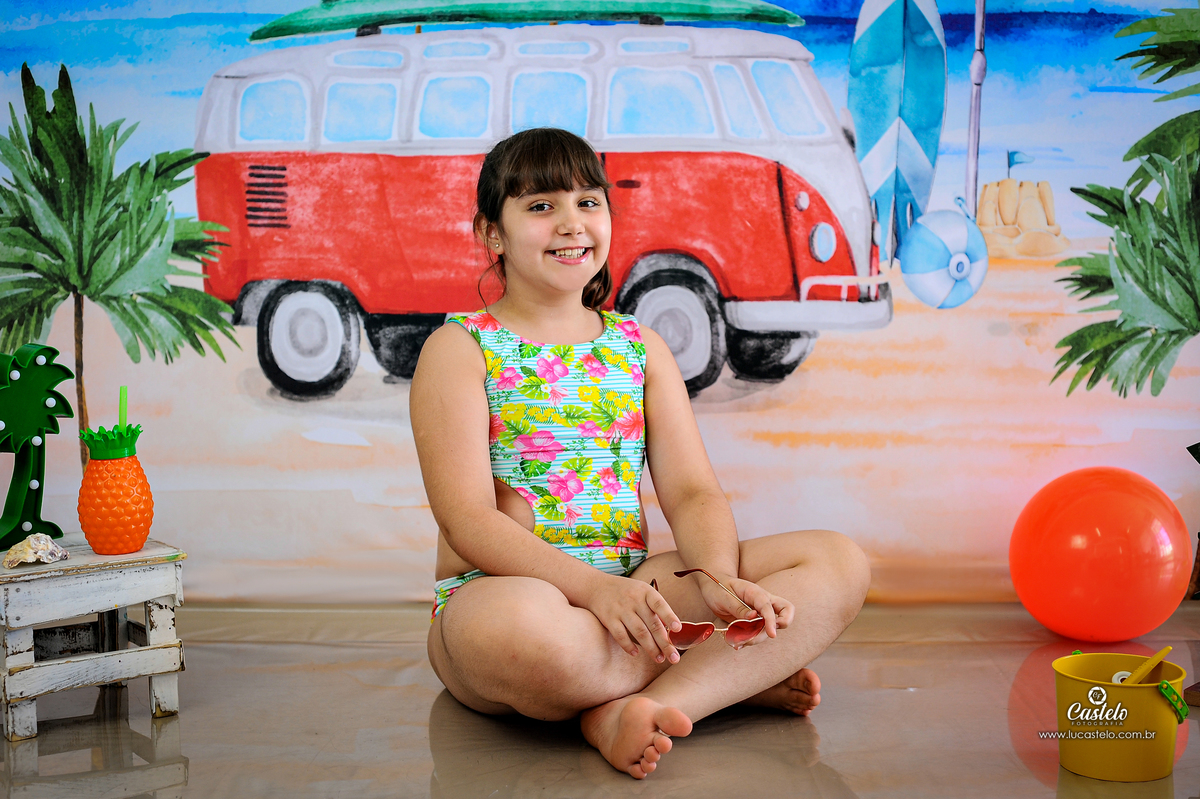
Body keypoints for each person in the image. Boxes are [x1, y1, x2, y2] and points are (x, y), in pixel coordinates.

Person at [411, 127, 871, 780]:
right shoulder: (460, 349)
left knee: (837, 562)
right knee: (527, 636)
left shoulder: (638, 348)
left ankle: (644, 706)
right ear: (493, 233)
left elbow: (692, 491)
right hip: (508, 596)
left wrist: (716, 580)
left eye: (588, 202)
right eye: (541, 206)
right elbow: (467, 520)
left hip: (633, 590)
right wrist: (595, 591)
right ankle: (724, 675)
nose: (571, 223)